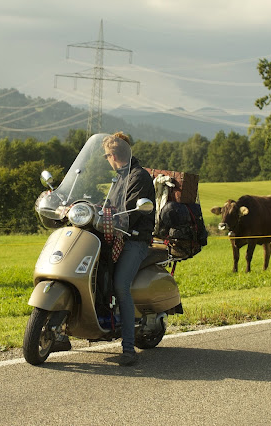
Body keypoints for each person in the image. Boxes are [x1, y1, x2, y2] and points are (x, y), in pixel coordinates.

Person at [102, 131, 155, 366]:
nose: (107, 160)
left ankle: (128, 349)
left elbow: (130, 213)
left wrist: (113, 218)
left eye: (106, 156)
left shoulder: (138, 177)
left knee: (120, 285)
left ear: (113, 155)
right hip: (116, 237)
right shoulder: (120, 177)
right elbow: (109, 205)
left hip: (135, 240)